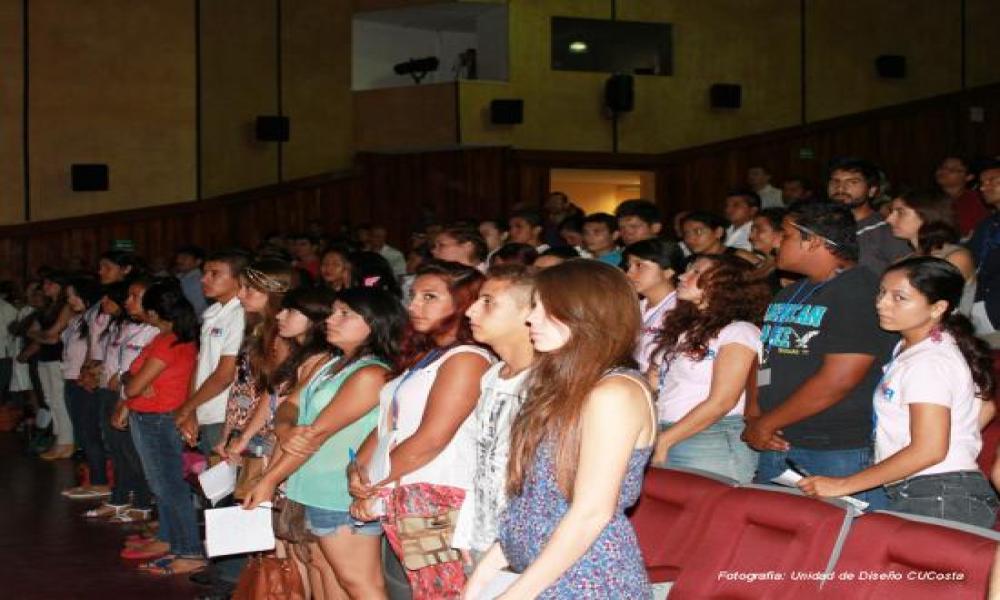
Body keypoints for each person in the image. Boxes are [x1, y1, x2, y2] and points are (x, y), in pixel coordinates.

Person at [465, 260, 655, 599]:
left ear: (584, 313)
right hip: (541, 572)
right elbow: (533, 504)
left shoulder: (614, 393)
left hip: (586, 580)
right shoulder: (565, 387)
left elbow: (591, 513)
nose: (530, 318)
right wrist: (481, 576)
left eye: (543, 308)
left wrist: (516, 595)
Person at [799, 257, 999, 528]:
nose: (882, 303)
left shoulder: (929, 361)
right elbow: (985, 406)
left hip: (938, 493)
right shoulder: (920, 348)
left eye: (899, 297)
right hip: (932, 489)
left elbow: (928, 450)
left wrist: (843, 484)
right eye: (882, 293)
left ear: (937, 307)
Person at [244, 288, 406, 599]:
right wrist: (286, 429)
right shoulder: (332, 364)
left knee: (359, 583)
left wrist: (269, 480)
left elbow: (316, 435)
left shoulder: (371, 374)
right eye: (333, 312)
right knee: (323, 572)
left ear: (374, 324)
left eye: (345, 314)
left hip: (339, 492)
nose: (331, 319)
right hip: (311, 487)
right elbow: (289, 404)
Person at [350, 260, 491, 598]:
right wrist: (357, 471)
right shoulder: (426, 356)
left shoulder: (467, 358)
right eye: (412, 296)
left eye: (430, 297)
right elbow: (389, 425)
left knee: (445, 592)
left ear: (464, 303)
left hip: (441, 500)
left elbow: (431, 439)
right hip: (405, 494)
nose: (413, 305)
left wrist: (374, 484)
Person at [746, 200, 898, 507]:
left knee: (842, 535)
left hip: (835, 449)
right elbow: (765, 357)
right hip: (776, 440)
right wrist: (754, 412)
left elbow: (839, 379)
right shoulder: (789, 292)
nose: (776, 243)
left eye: (786, 235)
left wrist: (766, 423)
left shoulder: (859, 291)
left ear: (813, 240)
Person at [649, 255, 769, 483]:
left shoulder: (739, 331)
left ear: (726, 285)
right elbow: (654, 382)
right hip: (668, 431)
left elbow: (723, 401)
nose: (682, 276)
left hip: (712, 437)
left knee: (709, 505)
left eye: (696, 272)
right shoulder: (684, 329)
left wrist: (665, 441)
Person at [119, 279, 203, 575]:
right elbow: (129, 376)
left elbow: (132, 385)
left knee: (168, 487)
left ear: (154, 313)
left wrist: (133, 382)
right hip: (155, 415)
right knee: (165, 485)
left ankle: (189, 550)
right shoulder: (172, 338)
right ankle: (171, 540)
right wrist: (132, 380)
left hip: (157, 417)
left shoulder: (167, 342)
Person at [453, 265, 535, 565]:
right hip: (484, 534)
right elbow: (482, 460)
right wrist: (467, 529)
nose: (470, 311)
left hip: (526, 541)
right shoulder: (492, 375)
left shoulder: (547, 383)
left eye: (488, 301)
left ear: (530, 312)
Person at [89, 277, 160, 521]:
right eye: (128, 296)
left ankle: (142, 502)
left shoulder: (155, 331)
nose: (128, 302)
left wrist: (122, 379)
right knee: (117, 451)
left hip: (134, 397)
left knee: (134, 453)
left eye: (135, 297)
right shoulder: (125, 326)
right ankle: (119, 497)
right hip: (114, 394)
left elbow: (142, 369)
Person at [175, 250, 247, 454]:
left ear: (239, 279)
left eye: (215, 274)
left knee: (225, 471)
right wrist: (191, 410)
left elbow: (225, 375)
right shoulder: (212, 313)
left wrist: (187, 408)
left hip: (225, 414)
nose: (204, 279)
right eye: (204, 273)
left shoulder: (240, 315)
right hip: (204, 408)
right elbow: (200, 366)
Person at [885, 189, 975, 312]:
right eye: (891, 212)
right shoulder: (903, 261)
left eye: (901, 212)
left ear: (927, 215)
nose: (889, 219)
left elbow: (938, 308)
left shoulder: (955, 257)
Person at [825, 156, 911, 275]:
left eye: (853, 182)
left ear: (871, 191)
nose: (840, 188)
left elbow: (907, 275)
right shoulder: (820, 226)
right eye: (835, 181)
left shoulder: (887, 231)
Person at [59, 276, 106, 492]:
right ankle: (92, 478)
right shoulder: (77, 320)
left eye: (74, 295)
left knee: (89, 432)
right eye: (68, 296)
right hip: (71, 379)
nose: (70, 300)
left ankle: (99, 481)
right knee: (81, 433)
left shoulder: (96, 319)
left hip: (85, 381)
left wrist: (88, 374)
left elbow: (96, 352)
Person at [622, 238, 684, 374]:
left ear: (668, 271)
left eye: (639, 265)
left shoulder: (681, 311)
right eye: (629, 266)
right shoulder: (633, 307)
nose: (629, 273)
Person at [30, 273, 74, 459]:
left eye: (50, 283)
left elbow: (53, 335)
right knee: (50, 399)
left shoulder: (66, 307)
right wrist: (43, 336)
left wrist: (41, 335)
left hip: (58, 357)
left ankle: (66, 441)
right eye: (45, 283)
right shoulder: (47, 307)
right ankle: (59, 438)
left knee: (59, 399)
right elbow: (32, 332)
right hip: (45, 356)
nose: (45, 287)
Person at [964, 159, 1000, 336]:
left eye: (992, 181)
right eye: (982, 183)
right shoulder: (987, 224)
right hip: (982, 307)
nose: (984, 188)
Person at [934, 155, 988, 237]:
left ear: (969, 177)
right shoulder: (928, 199)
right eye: (942, 167)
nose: (944, 171)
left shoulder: (978, 200)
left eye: (952, 169)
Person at [681, 212, 760, 266]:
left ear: (718, 232)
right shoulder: (690, 262)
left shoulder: (740, 257)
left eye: (698, 231)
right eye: (686, 234)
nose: (690, 239)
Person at [174, 245, 208, 317]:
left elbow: (197, 308)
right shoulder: (178, 277)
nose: (179, 261)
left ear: (198, 262)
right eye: (178, 257)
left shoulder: (199, 281)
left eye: (184, 258)